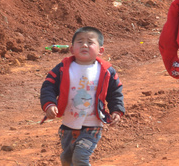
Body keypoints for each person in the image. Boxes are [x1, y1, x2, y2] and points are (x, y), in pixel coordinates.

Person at [40, 27, 125, 166]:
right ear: (72, 49)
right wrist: (49, 104)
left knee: (80, 158)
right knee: (67, 159)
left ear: (100, 50)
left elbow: (115, 92)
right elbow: (48, 86)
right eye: (80, 42)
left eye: (90, 42)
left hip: (93, 124)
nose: (84, 45)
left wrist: (117, 110)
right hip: (68, 124)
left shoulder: (106, 71)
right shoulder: (62, 68)